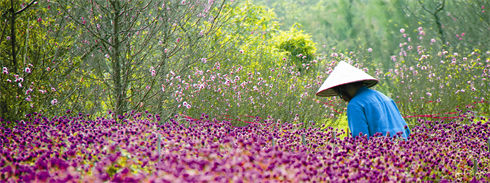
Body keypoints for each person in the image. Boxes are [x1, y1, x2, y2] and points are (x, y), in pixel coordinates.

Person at [316, 61, 411, 139]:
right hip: (403, 154)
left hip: (381, 157)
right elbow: (406, 131)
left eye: (340, 94)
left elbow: (361, 140)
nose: (343, 99)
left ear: (346, 87)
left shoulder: (355, 104)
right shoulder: (386, 98)